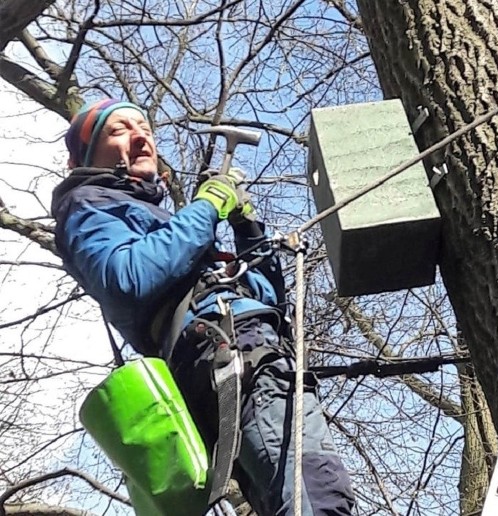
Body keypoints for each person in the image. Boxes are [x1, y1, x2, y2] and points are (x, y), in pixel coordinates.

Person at [51, 98, 355, 515]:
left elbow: (268, 301)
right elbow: (127, 278)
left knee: (305, 488)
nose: (141, 136)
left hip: (250, 346)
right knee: (315, 493)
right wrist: (207, 206)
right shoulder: (87, 204)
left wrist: (246, 227)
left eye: (144, 127)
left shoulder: (151, 217)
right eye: (118, 130)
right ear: (83, 157)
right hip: (226, 350)